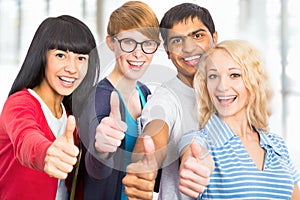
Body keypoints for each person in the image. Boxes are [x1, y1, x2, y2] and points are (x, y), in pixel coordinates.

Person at [178, 39, 300, 199]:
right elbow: (193, 154)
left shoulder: (277, 144)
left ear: (253, 81)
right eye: (213, 76)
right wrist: (193, 165)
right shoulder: (200, 140)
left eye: (234, 75)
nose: (222, 86)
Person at [122, 3, 218, 200]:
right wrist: (144, 163)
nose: (189, 48)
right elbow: (155, 131)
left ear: (215, 38)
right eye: (177, 40)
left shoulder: (234, 92)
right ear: (167, 51)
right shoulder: (165, 98)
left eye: (198, 35)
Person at [0, 15, 100, 200]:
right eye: (61, 55)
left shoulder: (71, 117)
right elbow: (26, 137)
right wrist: (46, 153)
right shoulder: (20, 103)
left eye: (81, 58)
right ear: (42, 57)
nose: (72, 68)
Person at [77, 1, 160, 199]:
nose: (139, 54)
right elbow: (96, 171)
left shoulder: (145, 93)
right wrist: (101, 149)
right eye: (129, 42)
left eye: (147, 43)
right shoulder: (100, 98)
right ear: (111, 43)